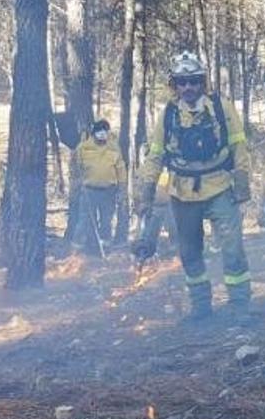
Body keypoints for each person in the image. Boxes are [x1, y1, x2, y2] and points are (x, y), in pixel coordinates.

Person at [134, 52, 252, 323]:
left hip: (220, 186)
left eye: (194, 81)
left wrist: (242, 180)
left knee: (232, 247)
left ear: (202, 82)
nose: (188, 87)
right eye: (182, 82)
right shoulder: (168, 116)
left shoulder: (221, 108)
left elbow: (238, 145)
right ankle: (201, 307)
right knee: (189, 252)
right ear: (174, 85)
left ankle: (240, 305)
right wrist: (145, 192)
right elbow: (155, 156)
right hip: (182, 193)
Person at [74, 118, 126, 256]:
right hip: (89, 190)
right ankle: (79, 250)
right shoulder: (83, 148)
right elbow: (76, 168)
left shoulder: (114, 148)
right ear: (94, 133)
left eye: (105, 131)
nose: (102, 134)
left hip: (109, 191)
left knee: (106, 220)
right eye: (99, 131)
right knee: (85, 220)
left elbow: (121, 170)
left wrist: (122, 189)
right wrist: (77, 184)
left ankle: (104, 248)